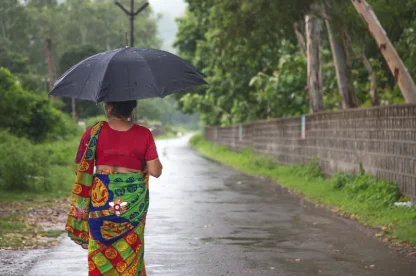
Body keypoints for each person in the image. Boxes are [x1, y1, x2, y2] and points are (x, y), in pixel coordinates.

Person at [65, 100, 162, 276]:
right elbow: (156, 171)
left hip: (101, 204)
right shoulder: (143, 134)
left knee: (99, 253)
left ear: (109, 107)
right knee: (130, 254)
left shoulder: (93, 133)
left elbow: (79, 167)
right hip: (132, 206)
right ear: (132, 108)